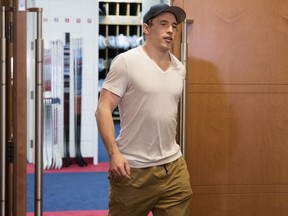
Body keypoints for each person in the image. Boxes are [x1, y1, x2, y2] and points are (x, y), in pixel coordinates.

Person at [95, 3, 192, 216]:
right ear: (146, 28)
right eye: (163, 24)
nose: (170, 31)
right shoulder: (126, 63)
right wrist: (114, 154)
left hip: (173, 166)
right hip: (133, 170)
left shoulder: (179, 68)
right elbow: (103, 109)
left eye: (174, 26)